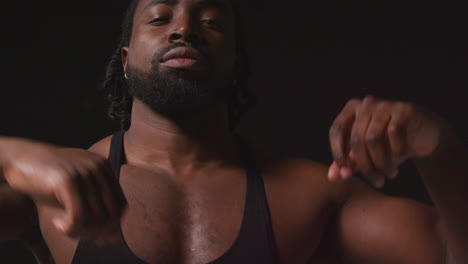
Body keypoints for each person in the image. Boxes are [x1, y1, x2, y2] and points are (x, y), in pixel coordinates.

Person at [0, 0, 466, 263]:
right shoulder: (58, 186)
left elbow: (450, 250)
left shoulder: (307, 193)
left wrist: (438, 145)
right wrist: (8, 154)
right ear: (125, 62)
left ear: (236, 64)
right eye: (160, 17)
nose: (184, 29)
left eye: (210, 22)